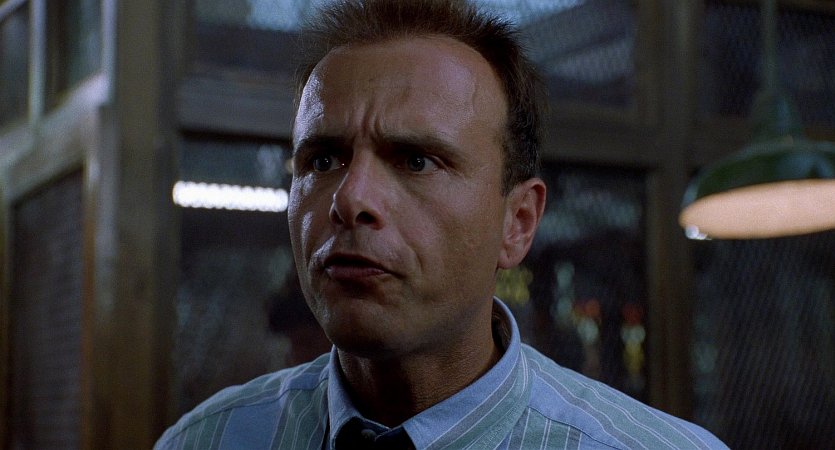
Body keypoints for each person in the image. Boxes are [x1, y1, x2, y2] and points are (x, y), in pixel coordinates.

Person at [156, 0, 728, 448]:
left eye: (416, 161)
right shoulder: (209, 439)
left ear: (517, 222)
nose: (350, 198)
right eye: (323, 160)